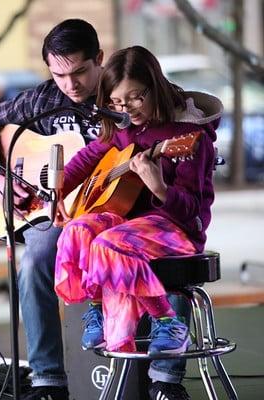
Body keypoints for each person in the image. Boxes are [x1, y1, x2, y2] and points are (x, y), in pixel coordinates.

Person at [53, 45, 222, 400]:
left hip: (176, 230)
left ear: (155, 87)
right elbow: (89, 158)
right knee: (76, 230)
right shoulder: (125, 131)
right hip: (129, 230)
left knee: (108, 243)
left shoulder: (188, 136)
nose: (126, 109)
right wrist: (56, 189)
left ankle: (167, 323)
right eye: (116, 102)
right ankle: (96, 310)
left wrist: (158, 186)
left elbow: (191, 209)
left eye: (135, 98)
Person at [0, 19, 103, 400]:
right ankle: (47, 381)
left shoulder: (121, 96)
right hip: (50, 212)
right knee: (35, 260)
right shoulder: (41, 98)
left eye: (79, 72)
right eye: (59, 74)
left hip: (104, 211)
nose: (70, 85)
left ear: (99, 60)